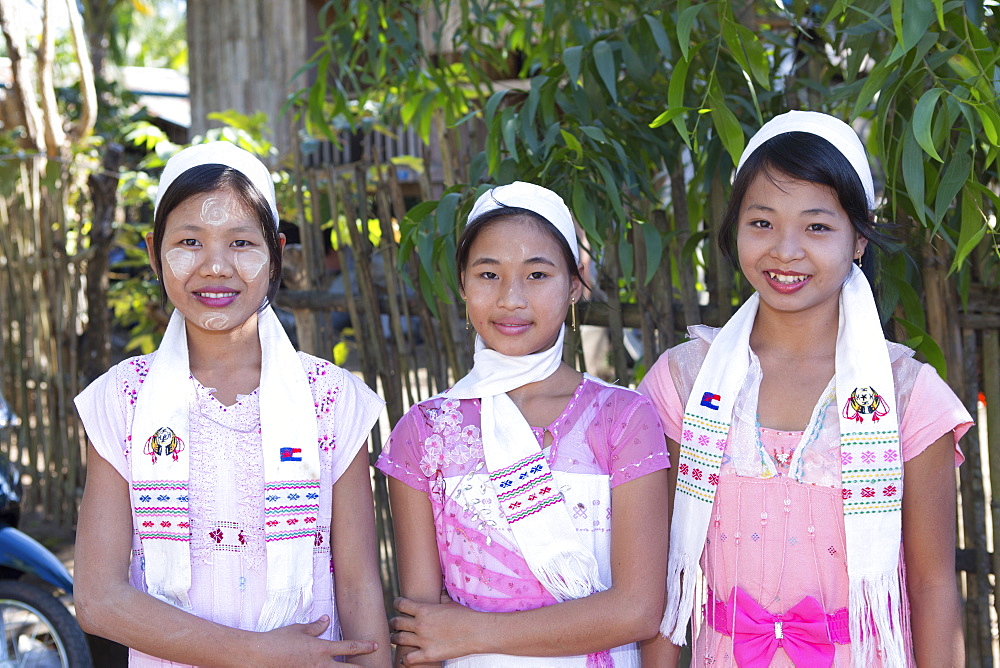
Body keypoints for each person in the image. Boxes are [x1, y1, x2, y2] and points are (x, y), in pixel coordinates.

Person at [638, 111, 973, 667]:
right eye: (762, 223)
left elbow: (935, 587)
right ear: (735, 231)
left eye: (817, 226)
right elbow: (663, 579)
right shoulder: (687, 383)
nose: (785, 251)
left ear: (859, 240)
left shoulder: (907, 396)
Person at [73, 142, 391, 667]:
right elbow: (98, 601)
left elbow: (359, 591)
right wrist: (260, 654)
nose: (215, 266)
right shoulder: (121, 402)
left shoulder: (330, 400)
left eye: (241, 242)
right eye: (190, 242)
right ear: (155, 253)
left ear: (276, 253)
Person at [377, 182, 670, 666]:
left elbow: (639, 610)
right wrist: (450, 636)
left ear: (575, 285)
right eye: (489, 274)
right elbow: (424, 634)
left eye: (537, 274)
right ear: (463, 285)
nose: (511, 298)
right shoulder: (424, 433)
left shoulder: (622, 420)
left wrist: (474, 631)